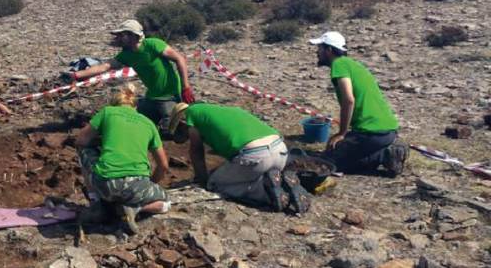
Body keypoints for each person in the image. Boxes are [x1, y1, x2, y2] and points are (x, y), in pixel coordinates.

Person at [170, 102, 311, 214]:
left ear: (181, 122)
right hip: (280, 150)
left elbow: (196, 152)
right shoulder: (229, 111)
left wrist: (202, 179)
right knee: (242, 171)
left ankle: (265, 192)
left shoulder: (191, 114)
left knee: (214, 183)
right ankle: (279, 180)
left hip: (256, 155)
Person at [68, 19, 195, 137]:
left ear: (134, 36)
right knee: (136, 124)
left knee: (171, 132)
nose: (118, 38)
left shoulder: (153, 44)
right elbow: (105, 67)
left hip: (169, 95)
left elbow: (179, 59)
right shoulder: (126, 55)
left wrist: (186, 87)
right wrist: (77, 75)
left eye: (121, 35)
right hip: (151, 97)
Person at [75, 83, 171, 234]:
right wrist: (147, 185)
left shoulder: (108, 112)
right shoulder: (149, 123)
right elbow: (163, 165)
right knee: (165, 203)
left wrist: (101, 142)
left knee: (84, 150)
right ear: (135, 107)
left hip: (104, 184)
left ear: (114, 103)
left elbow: (81, 141)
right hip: (136, 188)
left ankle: (96, 202)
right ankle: (136, 207)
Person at [310, 31, 409, 176]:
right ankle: (385, 151)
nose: (317, 52)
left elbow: (348, 100)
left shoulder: (339, 64)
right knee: (340, 154)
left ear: (329, 50)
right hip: (388, 131)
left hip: (370, 133)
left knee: (327, 163)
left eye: (319, 48)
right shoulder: (355, 65)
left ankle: (385, 155)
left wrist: (342, 133)